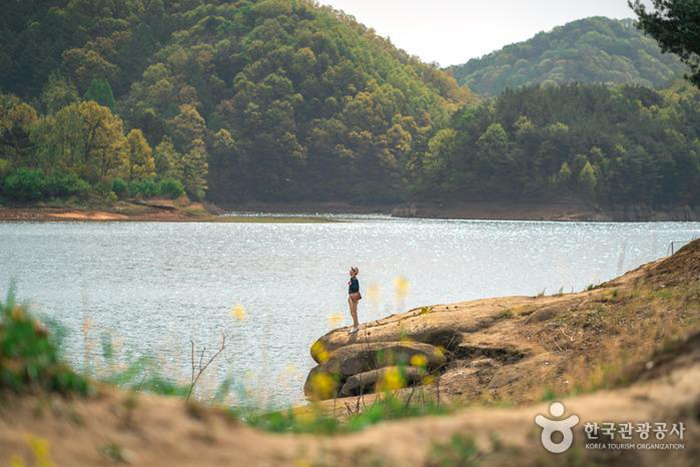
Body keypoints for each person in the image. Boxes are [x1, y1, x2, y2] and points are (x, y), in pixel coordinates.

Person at [347, 266, 361, 334]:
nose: (350, 272)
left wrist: (351, 284)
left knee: (354, 311)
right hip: (350, 296)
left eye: (351, 271)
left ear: (354, 273)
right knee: (351, 311)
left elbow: (356, 288)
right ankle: (356, 323)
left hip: (354, 296)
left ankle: (355, 327)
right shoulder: (352, 279)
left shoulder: (355, 280)